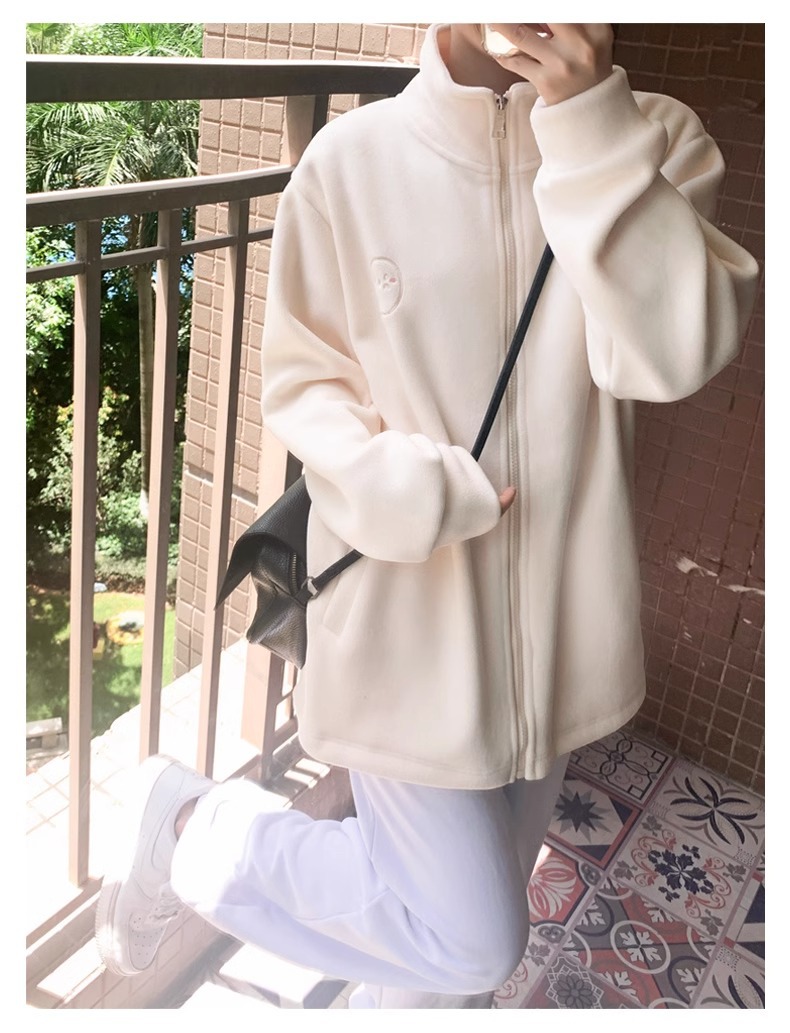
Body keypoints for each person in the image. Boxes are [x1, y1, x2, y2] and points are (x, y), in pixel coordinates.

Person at [94, 23, 759, 1008]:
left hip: (558, 632)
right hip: (403, 616)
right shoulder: (348, 163)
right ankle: (193, 826)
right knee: (470, 938)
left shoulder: (655, 139)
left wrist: (587, 126)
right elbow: (305, 387)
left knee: (441, 961)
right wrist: (413, 491)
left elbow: (668, 356)